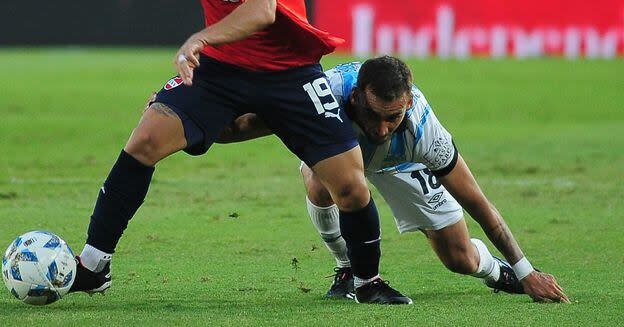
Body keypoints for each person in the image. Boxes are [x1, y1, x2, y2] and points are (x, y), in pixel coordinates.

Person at [68, 0, 411, 305]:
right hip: (223, 72)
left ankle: (366, 283)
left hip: (289, 73)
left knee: (348, 186)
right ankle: (93, 267)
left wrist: (198, 39)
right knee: (144, 141)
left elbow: (262, 10)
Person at [216, 56, 570, 304]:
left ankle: (498, 273)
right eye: (374, 115)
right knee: (320, 180)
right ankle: (346, 269)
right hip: (341, 158)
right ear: (355, 97)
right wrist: (193, 125)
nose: (382, 128)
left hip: (402, 163)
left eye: (394, 117)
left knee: (460, 258)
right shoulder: (324, 99)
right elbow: (252, 122)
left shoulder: (426, 132)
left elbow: (477, 201)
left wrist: (525, 270)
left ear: (408, 103)